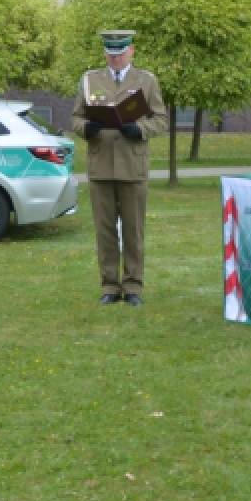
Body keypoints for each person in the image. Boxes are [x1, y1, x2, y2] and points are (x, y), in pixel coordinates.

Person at [68, 30, 168, 305]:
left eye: (120, 54)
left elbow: (161, 119)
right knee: (105, 229)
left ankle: (133, 286)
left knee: (133, 230)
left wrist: (140, 129)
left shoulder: (146, 81)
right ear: (105, 54)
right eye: (111, 55)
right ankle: (110, 287)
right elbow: (76, 117)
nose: (115, 59)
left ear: (131, 51)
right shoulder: (90, 80)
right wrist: (85, 127)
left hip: (132, 164)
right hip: (101, 164)